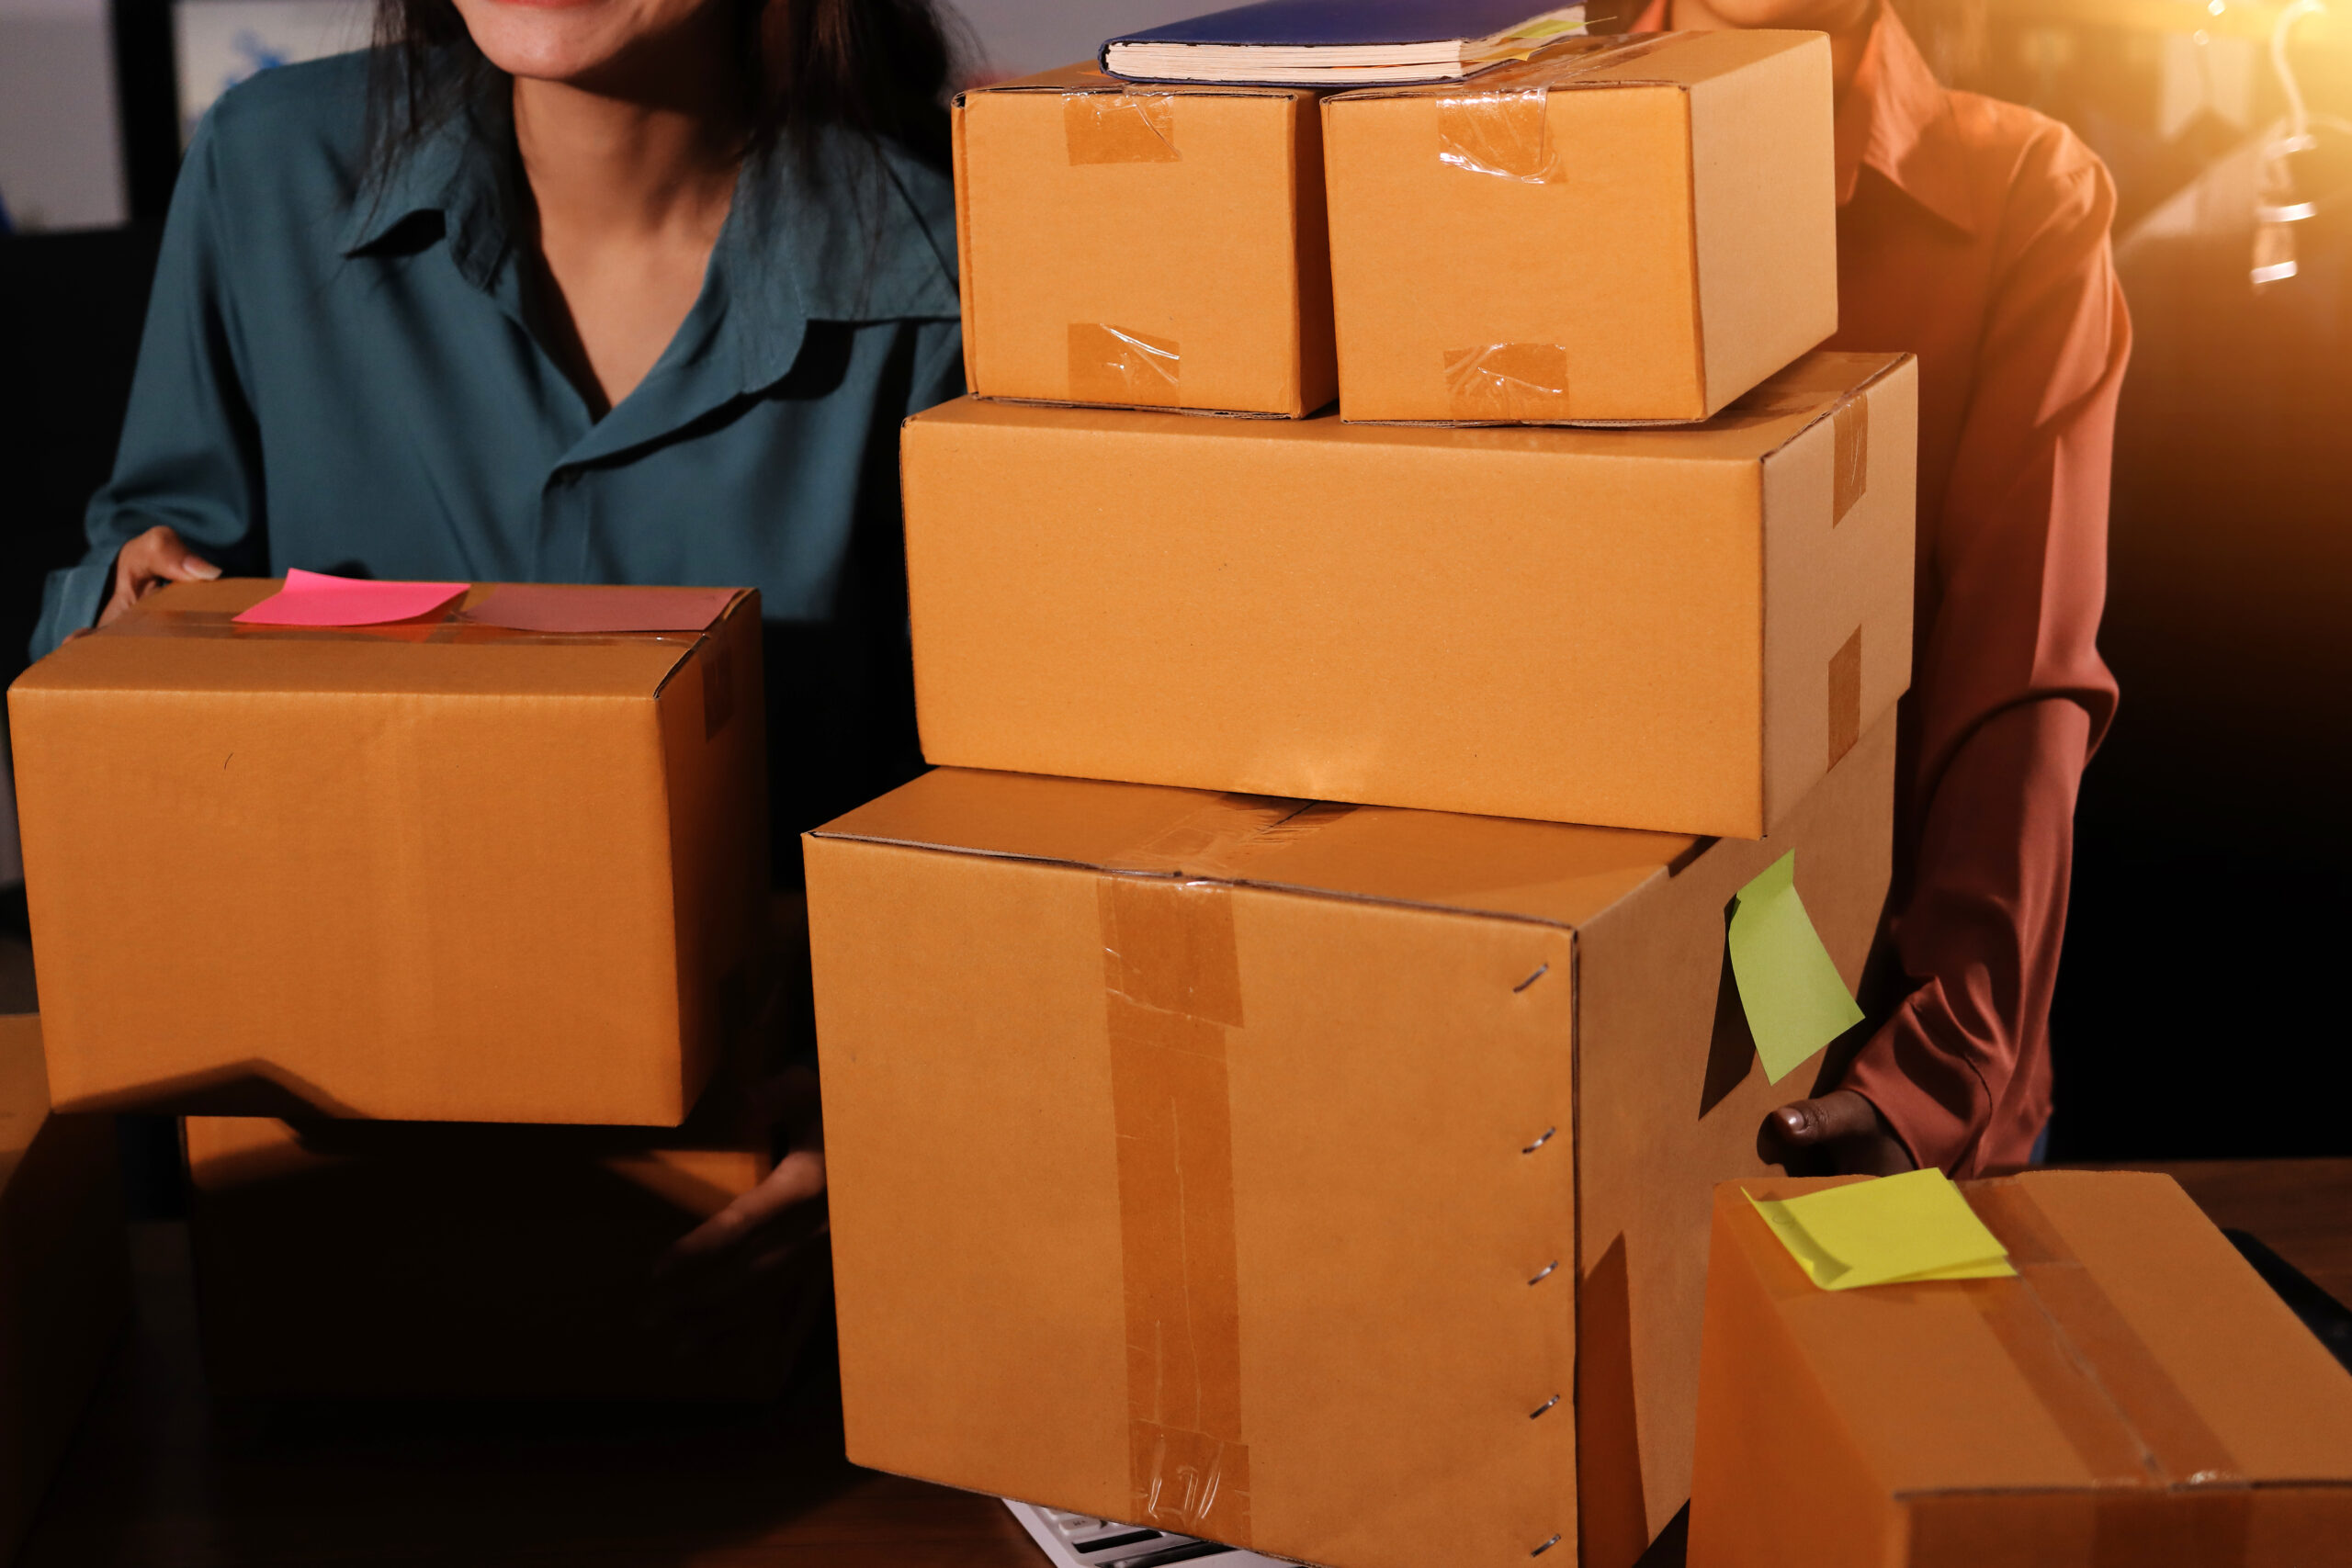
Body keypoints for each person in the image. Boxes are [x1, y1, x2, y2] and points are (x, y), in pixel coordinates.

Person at [33, 0, 968, 1333]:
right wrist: (133, 619)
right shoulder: (269, 164)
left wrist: (914, 1099)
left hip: (770, 1249)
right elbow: (135, 574)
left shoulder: (954, 249)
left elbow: (1023, 814)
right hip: (320, 1224)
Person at [1640, 0, 2131, 1177]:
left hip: (1887, 1041)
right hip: (1576, 1022)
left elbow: (2019, 660)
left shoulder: (2021, 192)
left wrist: (1939, 1066)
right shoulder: (1504, 141)